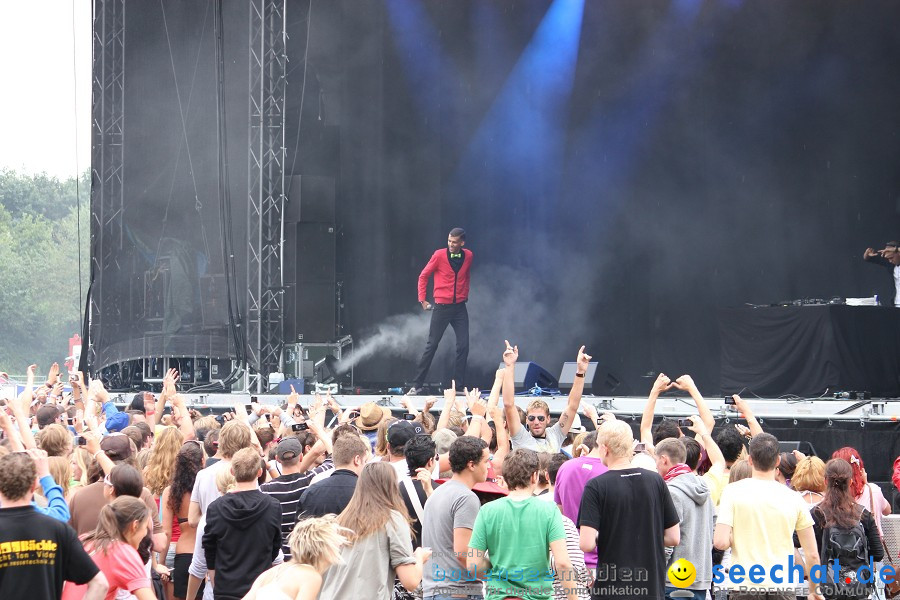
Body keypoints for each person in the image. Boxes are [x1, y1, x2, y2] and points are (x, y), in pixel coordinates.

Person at [578, 419, 680, 600]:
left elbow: (586, 544)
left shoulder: (596, 486)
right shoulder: (655, 481)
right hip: (651, 589)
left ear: (604, 448)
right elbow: (673, 537)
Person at [714, 433, 823, 600]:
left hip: (745, 585)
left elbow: (720, 542)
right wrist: (814, 590)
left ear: (750, 460)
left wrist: (737, 534)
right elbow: (812, 554)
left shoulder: (732, 491)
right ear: (777, 461)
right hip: (782, 586)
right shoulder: (793, 498)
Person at [467, 448, 576, 600]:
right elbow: (563, 563)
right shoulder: (549, 510)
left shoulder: (487, 511)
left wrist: (496, 568)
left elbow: (473, 564)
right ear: (534, 476)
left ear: (506, 477)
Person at [0, 451, 108, 600]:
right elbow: (100, 584)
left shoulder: (58, 528)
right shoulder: (58, 529)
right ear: (34, 486)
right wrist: (45, 475)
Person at [319, 462, 431, 600]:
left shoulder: (340, 521)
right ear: (391, 487)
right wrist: (419, 556)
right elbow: (411, 581)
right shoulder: (392, 520)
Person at [202, 447, 283, 600]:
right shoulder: (273, 507)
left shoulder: (215, 508)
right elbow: (274, 548)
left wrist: (216, 585)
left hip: (226, 588)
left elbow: (210, 552)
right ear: (259, 472)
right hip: (258, 588)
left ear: (232, 471)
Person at [421, 436, 488, 600]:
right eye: (486, 461)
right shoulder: (466, 498)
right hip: (458, 591)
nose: (488, 467)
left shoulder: (437, 494)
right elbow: (463, 552)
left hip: (434, 590)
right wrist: (498, 574)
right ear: (471, 465)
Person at [806, 459, 883, 600]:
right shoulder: (863, 515)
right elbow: (878, 554)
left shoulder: (817, 514)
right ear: (850, 482)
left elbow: (800, 545)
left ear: (825, 481)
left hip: (828, 588)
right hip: (859, 588)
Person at [411, 227, 473, 392]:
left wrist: (464, 293)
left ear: (462, 243)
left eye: (454, 242)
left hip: (459, 307)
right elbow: (423, 276)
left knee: (463, 345)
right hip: (442, 307)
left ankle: (458, 386)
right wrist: (422, 299)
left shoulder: (468, 255)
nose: (451, 245)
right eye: (449, 241)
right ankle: (416, 385)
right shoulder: (439, 255)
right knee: (432, 345)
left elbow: (466, 277)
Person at [654, 432, 714, 600]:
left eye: (656, 461)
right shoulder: (704, 488)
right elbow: (713, 527)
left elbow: (667, 542)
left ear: (664, 459)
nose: (656, 466)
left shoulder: (670, 492)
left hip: (673, 581)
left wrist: (656, 573)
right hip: (700, 578)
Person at [503, 342, 590, 452]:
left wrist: (580, 372)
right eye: (531, 418)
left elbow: (572, 406)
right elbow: (508, 405)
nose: (536, 422)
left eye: (541, 418)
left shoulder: (555, 435)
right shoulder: (520, 436)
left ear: (548, 419)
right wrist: (509, 366)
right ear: (526, 420)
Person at [62, 496, 155, 600]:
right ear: (135, 525)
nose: (146, 533)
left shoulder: (85, 540)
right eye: (145, 527)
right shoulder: (122, 552)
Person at [260, 437, 334, 559]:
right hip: (308, 552)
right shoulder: (311, 480)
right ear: (301, 457)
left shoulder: (265, 490)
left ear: (277, 459)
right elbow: (332, 461)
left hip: (281, 556)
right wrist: (320, 433)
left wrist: (270, 468)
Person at [243, 517, 348, 600]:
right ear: (324, 549)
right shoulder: (311, 577)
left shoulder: (270, 573)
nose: (339, 548)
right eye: (336, 544)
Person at [554, 430, 608, 576]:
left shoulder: (565, 467)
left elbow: (559, 513)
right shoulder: (610, 472)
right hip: (601, 560)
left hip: (569, 557)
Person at [161, 440, 205, 600]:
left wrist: (162, 562)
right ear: (202, 461)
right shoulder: (206, 485)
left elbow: (166, 531)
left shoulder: (171, 491)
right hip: (206, 551)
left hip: (183, 552)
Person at [299, 433, 370, 519]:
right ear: (357, 460)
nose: (365, 465)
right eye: (365, 461)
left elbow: (301, 529)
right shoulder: (367, 491)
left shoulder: (311, 492)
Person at [863, 242, 900, 306]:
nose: (890, 261)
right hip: (897, 302)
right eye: (888, 258)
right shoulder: (890, 264)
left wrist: (895, 249)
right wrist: (867, 254)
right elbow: (867, 258)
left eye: (891, 257)